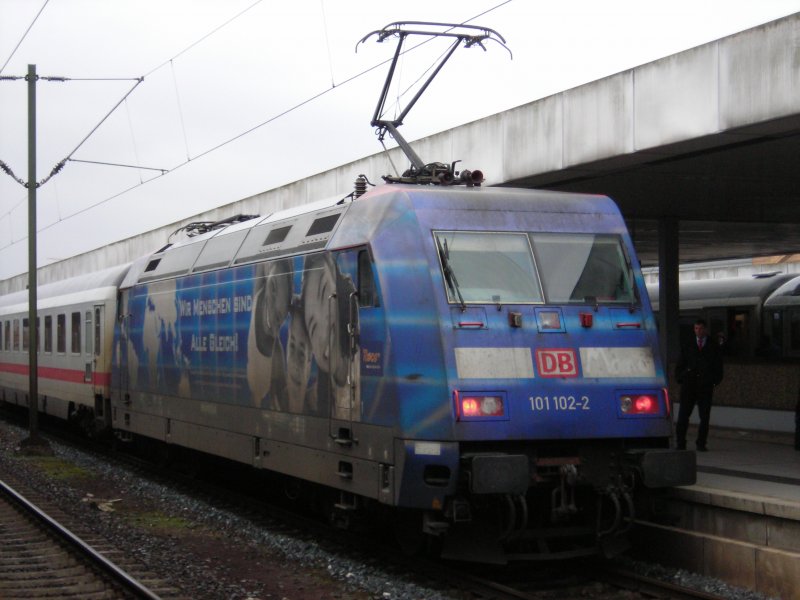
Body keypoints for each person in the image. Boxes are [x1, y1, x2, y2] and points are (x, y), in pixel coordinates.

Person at [675, 319, 724, 451]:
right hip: (689, 384)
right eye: (696, 328)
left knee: (704, 416)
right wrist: (682, 377)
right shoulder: (688, 344)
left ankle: (701, 443)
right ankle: (680, 442)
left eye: (701, 328)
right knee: (683, 415)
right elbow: (681, 364)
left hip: (705, 385)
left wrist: (713, 381)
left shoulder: (713, 346)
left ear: (706, 329)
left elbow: (718, 366)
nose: (698, 331)